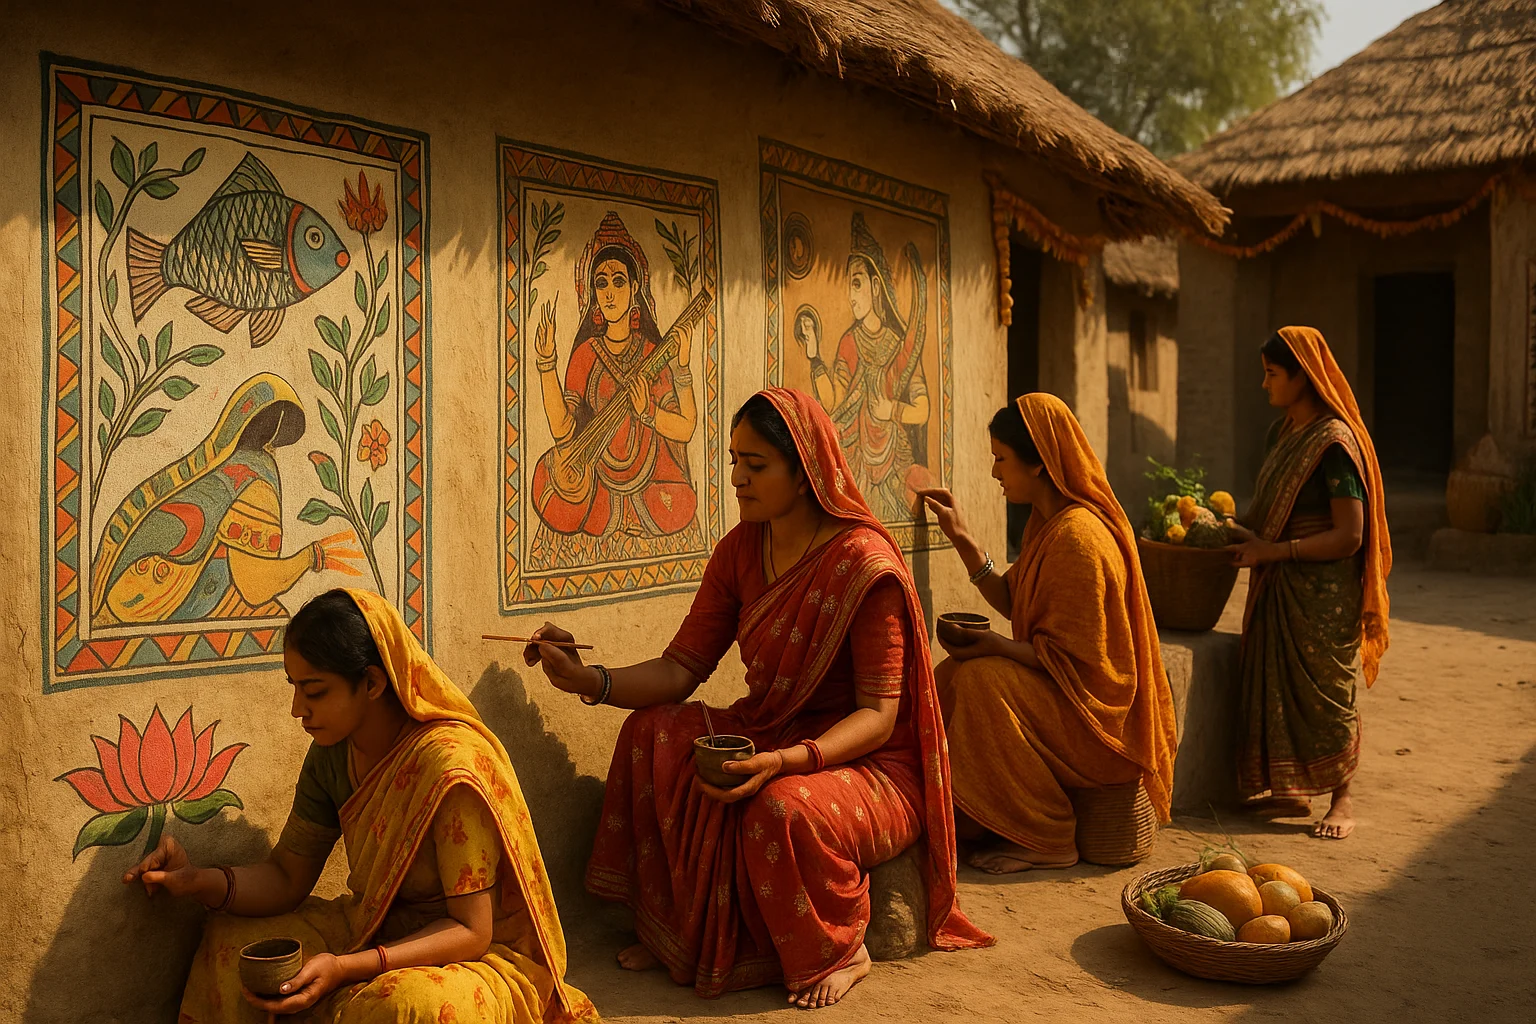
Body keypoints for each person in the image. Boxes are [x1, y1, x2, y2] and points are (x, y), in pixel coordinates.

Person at [525, 388, 990, 1009]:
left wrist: (787, 761)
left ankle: (843, 950)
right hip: (771, 728)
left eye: (757, 465)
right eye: (734, 460)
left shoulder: (864, 565)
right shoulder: (741, 548)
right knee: (649, 735)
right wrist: (589, 680)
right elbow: (678, 668)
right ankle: (679, 936)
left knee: (779, 809)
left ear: (805, 472)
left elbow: (879, 720)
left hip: (869, 765)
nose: (738, 478)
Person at [123, 589, 596, 1023]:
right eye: (294, 687)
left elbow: (471, 931)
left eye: (315, 691)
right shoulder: (331, 753)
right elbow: (287, 876)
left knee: (410, 1007)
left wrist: (346, 968)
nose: (297, 709)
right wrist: (197, 881)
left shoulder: (451, 768)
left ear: (371, 682)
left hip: (476, 957)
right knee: (230, 945)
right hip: (372, 926)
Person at [917, 394, 1178, 873]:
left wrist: (995, 645)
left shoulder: (1079, 538)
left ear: (1038, 463)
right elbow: (1015, 600)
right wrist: (963, 538)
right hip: (1067, 703)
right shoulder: (1049, 524)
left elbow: (1076, 665)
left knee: (981, 682)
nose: (995, 472)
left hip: (1100, 732)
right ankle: (963, 815)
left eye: (1001, 459)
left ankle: (1047, 835)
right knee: (956, 673)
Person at [1226, 327, 1392, 840]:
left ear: (1304, 376)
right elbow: (1273, 512)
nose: (1265, 384)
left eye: (1273, 374)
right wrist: (1228, 529)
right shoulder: (1284, 435)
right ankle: (1290, 789)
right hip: (1281, 583)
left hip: (1321, 594)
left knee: (1327, 694)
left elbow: (1349, 535)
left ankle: (1342, 799)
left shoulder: (1335, 444)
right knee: (1277, 686)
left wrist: (1273, 551)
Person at [92, 373, 361, 626]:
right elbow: (253, 586)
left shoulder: (211, 472)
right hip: (151, 604)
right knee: (277, 623)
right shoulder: (256, 480)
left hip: (120, 597)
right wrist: (311, 557)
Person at [529, 211, 700, 566]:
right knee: (572, 508)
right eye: (601, 284)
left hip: (653, 478)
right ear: (591, 292)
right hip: (600, 481)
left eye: (618, 282)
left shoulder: (653, 353)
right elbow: (563, 432)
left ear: (635, 288)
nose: (609, 294)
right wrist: (547, 364)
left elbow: (685, 428)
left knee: (680, 506)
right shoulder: (585, 355)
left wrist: (662, 394)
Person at [795, 213, 930, 521]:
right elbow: (833, 401)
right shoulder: (849, 342)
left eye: (857, 284)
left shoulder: (899, 347)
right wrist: (815, 355)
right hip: (854, 461)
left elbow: (922, 409)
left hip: (893, 464)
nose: (851, 296)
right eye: (849, 286)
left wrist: (892, 411)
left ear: (875, 285)